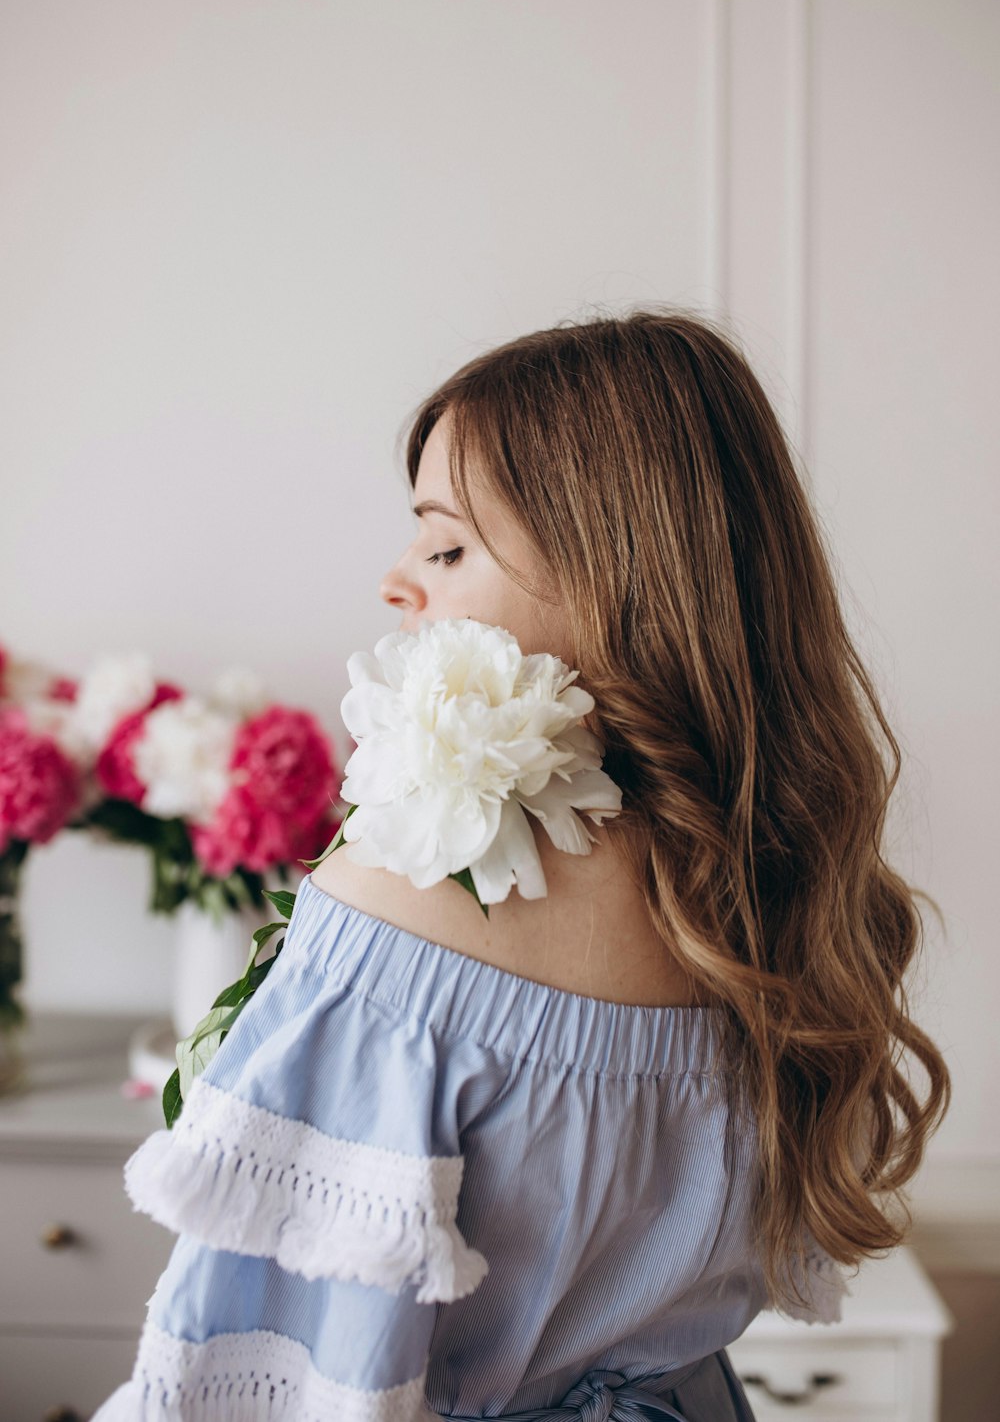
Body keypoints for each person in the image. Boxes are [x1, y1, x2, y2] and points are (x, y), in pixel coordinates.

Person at [93, 308, 951, 1421]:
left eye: (445, 545)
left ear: (613, 570)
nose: (399, 582)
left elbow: (270, 1384)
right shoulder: (769, 900)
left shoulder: (405, 904)